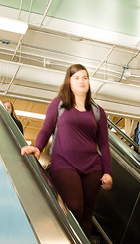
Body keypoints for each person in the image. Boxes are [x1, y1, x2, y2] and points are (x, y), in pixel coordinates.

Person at [20, 63, 112, 235]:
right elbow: (46, 129)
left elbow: (104, 144)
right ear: (69, 81)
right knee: (75, 206)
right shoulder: (59, 104)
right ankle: (64, 236)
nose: (82, 81)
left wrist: (108, 172)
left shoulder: (98, 112)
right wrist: (37, 147)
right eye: (76, 78)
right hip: (64, 163)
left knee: (86, 215)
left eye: (85, 77)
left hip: (93, 167)